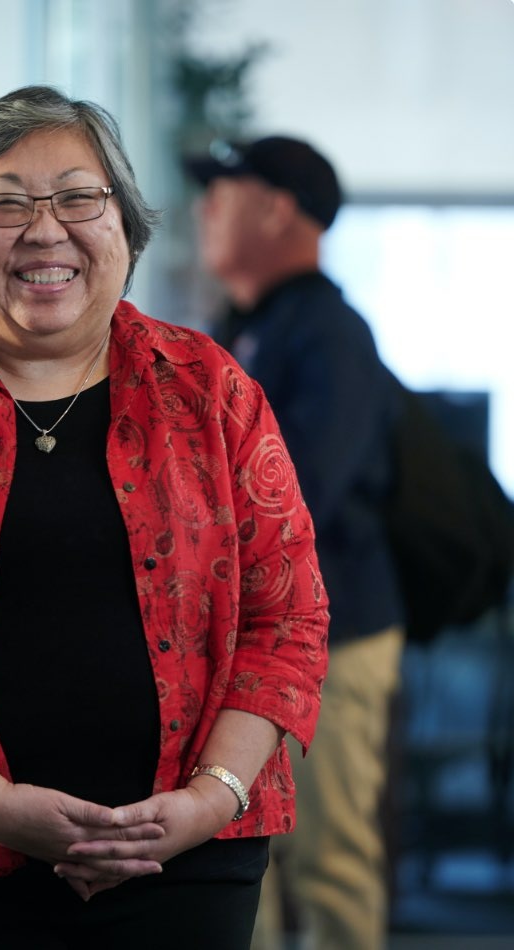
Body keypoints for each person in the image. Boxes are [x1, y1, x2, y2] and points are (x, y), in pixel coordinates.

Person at [0, 86, 329, 950]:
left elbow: (288, 619)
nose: (45, 230)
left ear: (124, 227)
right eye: (5, 202)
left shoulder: (209, 388)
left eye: (81, 198)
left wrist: (206, 802)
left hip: (186, 866)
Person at [185, 136, 405, 950]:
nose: (206, 209)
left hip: (334, 640)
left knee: (330, 859)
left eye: (225, 191)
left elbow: (293, 500)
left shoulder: (329, 333)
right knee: (251, 859)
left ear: (278, 209)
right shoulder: (243, 325)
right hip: (249, 647)